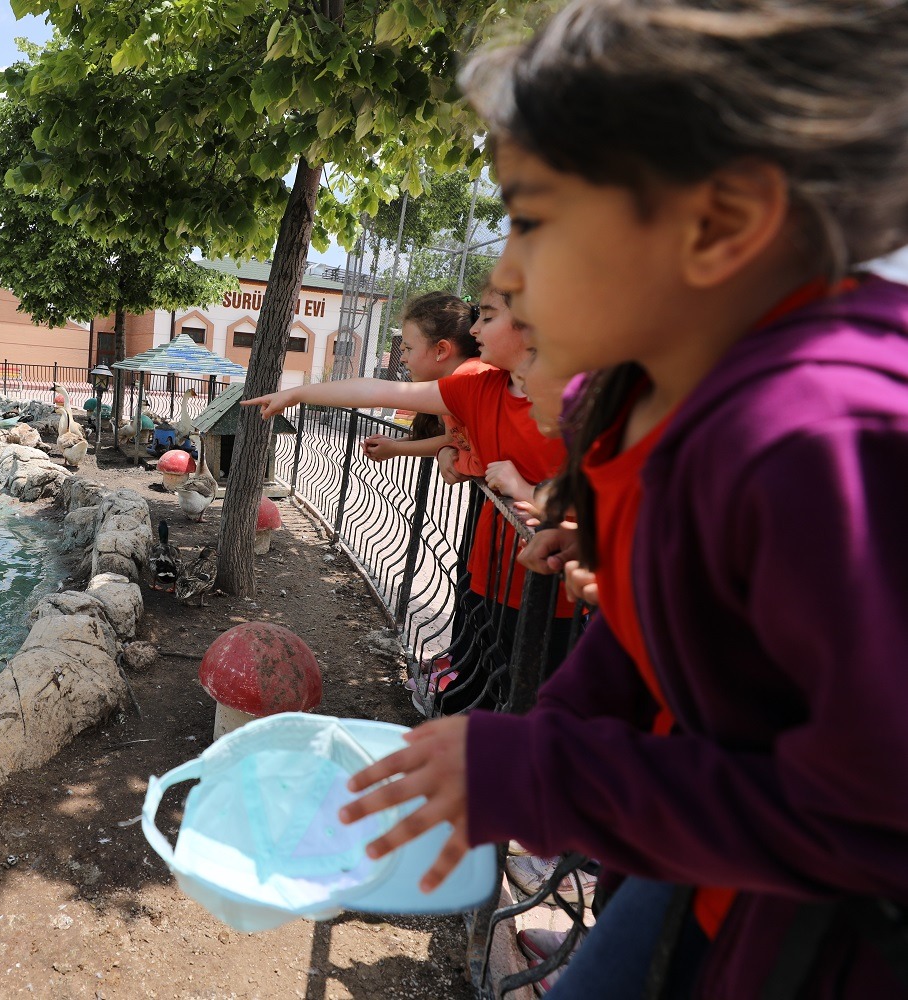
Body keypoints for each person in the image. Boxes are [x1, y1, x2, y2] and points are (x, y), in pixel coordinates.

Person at [331, 2, 908, 997]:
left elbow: (872, 815)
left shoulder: (822, 442)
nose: (502, 275)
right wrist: (534, 740)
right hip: (706, 874)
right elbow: (663, 626)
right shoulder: (644, 396)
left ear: (719, 224)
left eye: (531, 218)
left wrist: (542, 775)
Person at [247, 281, 572, 714]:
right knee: (487, 687)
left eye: (489, 318)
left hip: (556, 598)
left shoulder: (575, 398)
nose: (475, 330)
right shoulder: (478, 385)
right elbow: (381, 391)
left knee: (532, 703)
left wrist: (526, 491)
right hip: (492, 574)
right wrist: (297, 393)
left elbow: (609, 498)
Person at [359, 290, 490, 471]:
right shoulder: (454, 383)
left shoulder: (469, 377)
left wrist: (395, 448)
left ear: (441, 350)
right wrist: (393, 444)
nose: (403, 358)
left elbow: (449, 440)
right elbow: (449, 438)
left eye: (408, 349)